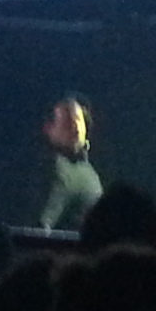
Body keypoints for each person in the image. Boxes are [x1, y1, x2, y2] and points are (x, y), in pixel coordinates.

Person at [38, 91, 102, 231]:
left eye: (78, 119)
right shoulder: (55, 170)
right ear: (48, 129)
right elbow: (40, 229)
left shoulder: (86, 170)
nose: (75, 127)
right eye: (67, 121)